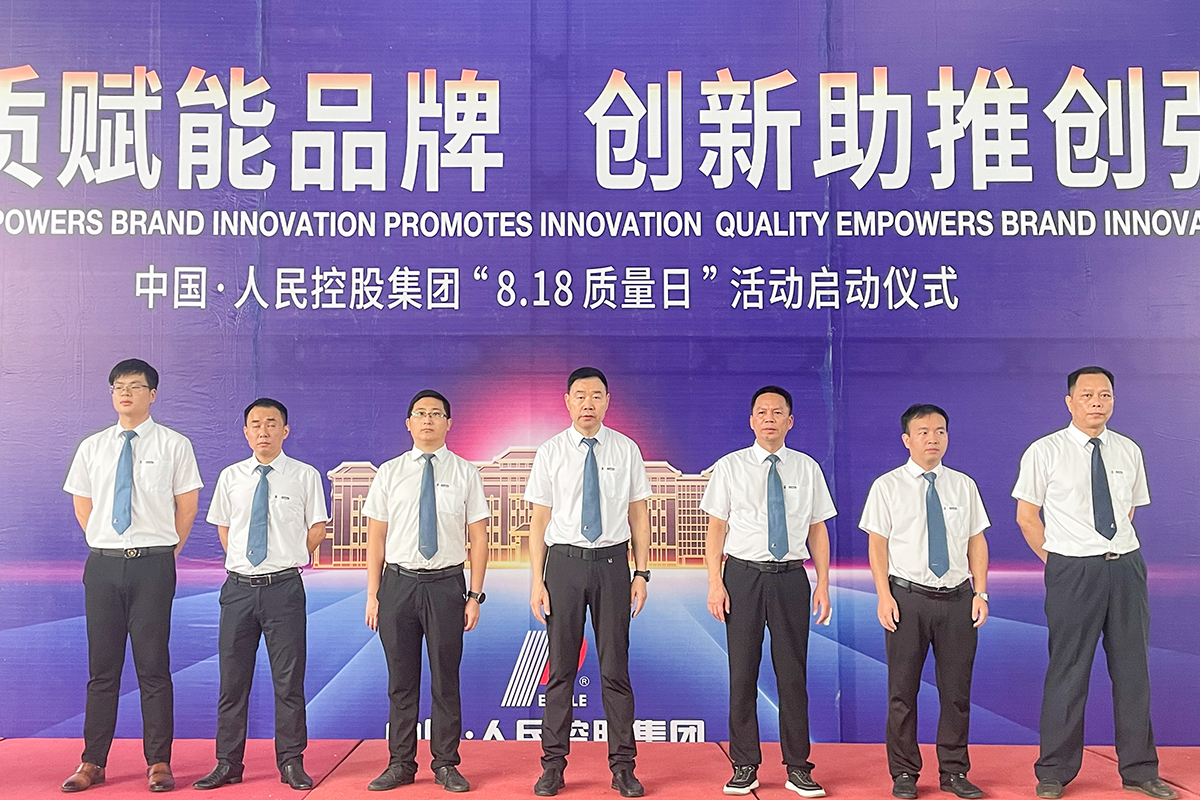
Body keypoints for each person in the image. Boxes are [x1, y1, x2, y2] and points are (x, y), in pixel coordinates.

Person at [1014, 367, 1177, 800]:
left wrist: (1109, 550)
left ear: (1113, 400)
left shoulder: (1128, 449)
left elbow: (1127, 512)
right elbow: (1027, 516)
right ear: (1070, 402)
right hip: (1072, 571)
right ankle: (1054, 772)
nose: (1097, 402)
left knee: (1133, 670)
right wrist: (1060, 560)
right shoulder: (1045, 451)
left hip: (1125, 568)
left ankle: (1140, 770)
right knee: (1068, 671)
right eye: (1087, 395)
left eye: (1104, 395)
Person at [61, 359, 203, 793]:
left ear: (152, 395)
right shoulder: (93, 447)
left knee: (153, 667)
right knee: (102, 669)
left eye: (135, 386)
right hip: (103, 565)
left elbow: (187, 506)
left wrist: (162, 551)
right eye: (118, 386)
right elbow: (83, 506)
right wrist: (108, 544)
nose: (125, 393)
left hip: (153, 566)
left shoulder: (175, 444)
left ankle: (158, 762)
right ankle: (92, 761)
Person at [702, 385, 833, 798]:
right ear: (751, 421)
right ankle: (744, 764)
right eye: (762, 412)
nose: (770, 418)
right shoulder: (730, 467)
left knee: (793, 673)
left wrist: (823, 583)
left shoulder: (807, 468)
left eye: (778, 412)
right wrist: (715, 582)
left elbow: (817, 529)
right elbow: (716, 529)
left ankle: (798, 766)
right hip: (742, 576)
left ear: (790, 421)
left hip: (791, 577)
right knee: (742, 672)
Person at [526, 367, 652, 798]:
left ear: (607, 401)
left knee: (615, 669)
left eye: (596, 396)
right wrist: (537, 581)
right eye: (580, 395)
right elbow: (539, 521)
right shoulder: (551, 452)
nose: (588, 404)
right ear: (567, 401)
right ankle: (552, 767)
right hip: (563, 565)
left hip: (614, 565)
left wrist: (642, 572)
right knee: (561, 670)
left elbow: (639, 515)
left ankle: (623, 768)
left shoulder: (626, 449)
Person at [193, 398, 330, 791]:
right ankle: (227, 763)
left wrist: (289, 558)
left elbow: (317, 527)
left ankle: (291, 762)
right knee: (232, 681)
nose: (263, 431)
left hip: (284, 589)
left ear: (285, 430)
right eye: (256, 424)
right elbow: (224, 529)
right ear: (246, 432)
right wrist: (245, 563)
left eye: (271, 423)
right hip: (238, 590)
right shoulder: (231, 477)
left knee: (288, 681)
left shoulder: (304, 475)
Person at [859, 404, 990, 800]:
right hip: (906, 598)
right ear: (907, 439)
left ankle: (954, 771)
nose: (933, 438)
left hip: (958, 598)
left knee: (956, 692)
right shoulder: (887, 486)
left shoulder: (963, 485)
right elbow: (877, 544)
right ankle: (904, 773)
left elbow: (976, 541)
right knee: (902, 692)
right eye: (923, 432)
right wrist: (884, 595)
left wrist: (980, 591)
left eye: (940, 431)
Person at [363, 389, 489, 793]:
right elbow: (376, 539)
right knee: (400, 682)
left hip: (446, 587)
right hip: (398, 586)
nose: (428, 420)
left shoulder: (466, 473)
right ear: (408, 423)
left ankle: (446, 764)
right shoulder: (389, 473)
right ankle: (400, 763)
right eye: (420, 414)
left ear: (449, 423)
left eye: (436, 414)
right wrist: (373, 594)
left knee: (445, 680)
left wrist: (475, 595)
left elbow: (479, 537)